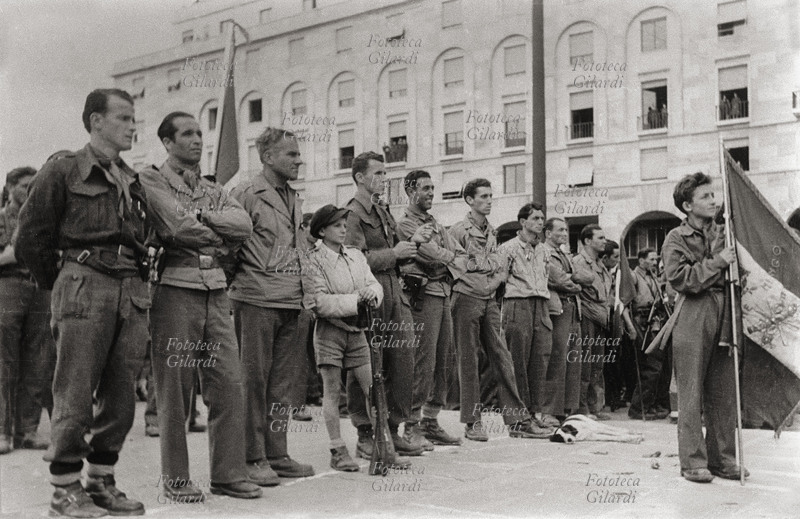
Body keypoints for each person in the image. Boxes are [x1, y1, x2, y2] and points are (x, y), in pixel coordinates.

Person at [16, 88, 149, 517]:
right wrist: (64, 281)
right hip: (83, 284)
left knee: (121, 396)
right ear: (95, 120)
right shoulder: (63, 170)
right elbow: (30, 240)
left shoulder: (132, 177)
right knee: (73, 392)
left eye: (133, 119)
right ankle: (64, 489)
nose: (133, 126)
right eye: (124, 118)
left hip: (129, 287)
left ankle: (100, 481)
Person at [139, 111, 260, 501]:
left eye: (198, 133)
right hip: (175, 289)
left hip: (216, 290)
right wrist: (214, 234)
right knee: (175, 391)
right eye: (186, 134)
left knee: (228, 384)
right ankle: (176, 480)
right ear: (167, 142)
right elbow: (174, 226)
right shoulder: (152, 179)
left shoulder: (211, 189)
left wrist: (203, 215)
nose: (197, 140)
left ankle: (227, 474)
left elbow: (244, 225)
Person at [229, 127, 315, 485]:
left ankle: (277, 453)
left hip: (290, 300)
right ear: (267, 157)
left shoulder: (292, 197)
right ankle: (252, 457)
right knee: (254, 380)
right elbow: (227, 246)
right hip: (256, 299)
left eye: (298, 154)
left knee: (282, 385)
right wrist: (241, 285)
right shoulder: (245, 194)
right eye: (291, 155)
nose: (299, 160)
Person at [448, 178, 552, 441]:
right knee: (469, 360)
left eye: (491, 196)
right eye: (483, 196)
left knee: (503, 358)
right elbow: (457, 266)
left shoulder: (492, 232)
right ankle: (473, 422)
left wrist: (491, 281)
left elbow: (498, 268)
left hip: (489, 299)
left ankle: (517, 421)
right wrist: (487, 276)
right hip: (466, 298)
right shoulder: (458, 231)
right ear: (469, 200)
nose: (489, 200)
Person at [344, 151, 428, 459]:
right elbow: (354, 261)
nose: (384, 178)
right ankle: (366, 433)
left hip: (395, 291)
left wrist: (408, 245)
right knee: (368, 365)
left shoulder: (381, 210)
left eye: (384, 173)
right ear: (360, 178)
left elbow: (393, 247)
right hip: (372, 294)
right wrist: (394, 254)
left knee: (403, 361)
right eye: (378, 173)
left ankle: (392, 430)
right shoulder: (352, 214)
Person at [662, 172, 744, 483]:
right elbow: (682, 278)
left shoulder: (725, 232)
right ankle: (693, 462)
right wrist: (720, 262)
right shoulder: (676, 238)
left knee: (723, 391)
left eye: (714, 195)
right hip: (694, 312)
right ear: (687, 205)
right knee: (691, 391)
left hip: (725, 311)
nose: (713, 201)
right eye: (705, 197)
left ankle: (723, 459)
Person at [307, 204, 382, 471]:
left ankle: (380, 443)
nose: (343, 229)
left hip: (357, 330)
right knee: (332, 392)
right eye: (337, 225)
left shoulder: (355, 256)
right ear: (322, 230)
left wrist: (373, 294)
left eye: (344, 225)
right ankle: (337, 449)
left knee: (373, 388)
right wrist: (356, 300)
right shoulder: (314, 260)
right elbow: (319, 302)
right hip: (330, 331)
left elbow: (373, 283)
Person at [396, 170, 467, 449]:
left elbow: (460, 255)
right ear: (410, 191)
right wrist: (445, 258)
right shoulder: (405, 225)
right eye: (425, 188)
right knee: (422, 363)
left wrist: (444, 257)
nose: (431, 193)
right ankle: (411, 426)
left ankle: (431, 421)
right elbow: (428, 255)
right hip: (421, 298)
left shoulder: (435, 224)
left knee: (444, 361)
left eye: (433, 188)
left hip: (442, 294)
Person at [0, 166, 54, 454]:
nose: (29, 190)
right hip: (9, 285)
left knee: (38, 360)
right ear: (9, 187)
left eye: (33, 186)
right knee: (5, 360)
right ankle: (2, 431)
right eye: (23, 186)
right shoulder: (3, 218)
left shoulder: (42, 220)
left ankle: (27, 431)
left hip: (39, 287)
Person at [498, 203, 559, 428]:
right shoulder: (507, 248)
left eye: (542, 218)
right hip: (517, 304)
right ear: (523, 222)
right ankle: (518, 419)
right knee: (517, 361)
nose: (541, 222)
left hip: (541, 305)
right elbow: (500, 279)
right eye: (535, 218)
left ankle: (535, 414)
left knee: (540, 360)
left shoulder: (545, 250)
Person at [542, 217, 591, 419]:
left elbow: (589, 276)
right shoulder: (545, 252)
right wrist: (574, 282)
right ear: (548, 233)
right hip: (558, 309)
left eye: (566, 229)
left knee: (573, 361)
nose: (564, 233)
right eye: (560, 229)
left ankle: (567, 409)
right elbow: (558, 279)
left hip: (572, 308)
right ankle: (550, 411)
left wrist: (571, 280)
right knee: (557, 360)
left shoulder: (565, 254)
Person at [572, 224, 612, 421]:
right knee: (584, 364)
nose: (604, 241)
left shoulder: (601, 265)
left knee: (597, 364)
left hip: (600, 317)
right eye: (600, 237)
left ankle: (594, 406)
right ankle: (581, 408)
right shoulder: (579, 262)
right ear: (587, 241)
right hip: (586, 315)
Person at [627, 248, 671, 420]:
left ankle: (648, 405)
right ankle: (638, 408)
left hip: (653, 320)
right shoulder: (633, 277)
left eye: (656, 259)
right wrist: (631, 328)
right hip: (640, 321)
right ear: (641, 260)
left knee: (656, 367)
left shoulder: (653, 277)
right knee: (649, 367)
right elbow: (625, 302)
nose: (654, 262)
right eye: (651, 259)